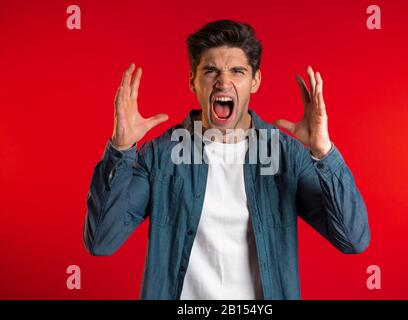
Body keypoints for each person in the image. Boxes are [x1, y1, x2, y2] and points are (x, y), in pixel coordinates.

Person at [83, 19, 370, 300]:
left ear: (255, 81)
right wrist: (120, 149)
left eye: (237, 71)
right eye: (210, 71)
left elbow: (352, 239)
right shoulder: (160, 155)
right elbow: (101, 242)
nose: (224, 81)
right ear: (193, 81)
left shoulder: (286, 155)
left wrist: (323, 151)